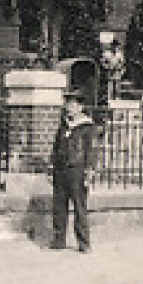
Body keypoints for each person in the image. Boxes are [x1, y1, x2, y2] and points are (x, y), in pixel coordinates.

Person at [50, 91, 99, 253]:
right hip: (61, 171)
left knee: (79, 207)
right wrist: (52, 166)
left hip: (77, 171)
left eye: (72, 105)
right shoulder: (63, 125)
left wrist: (89, 171)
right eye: (67, 104)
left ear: (80, 107)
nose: (69, 108)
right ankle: (59, 240)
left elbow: (91, 151)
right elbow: (56, 148)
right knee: (59, 206)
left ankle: (84, 243)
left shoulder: (87, 127)